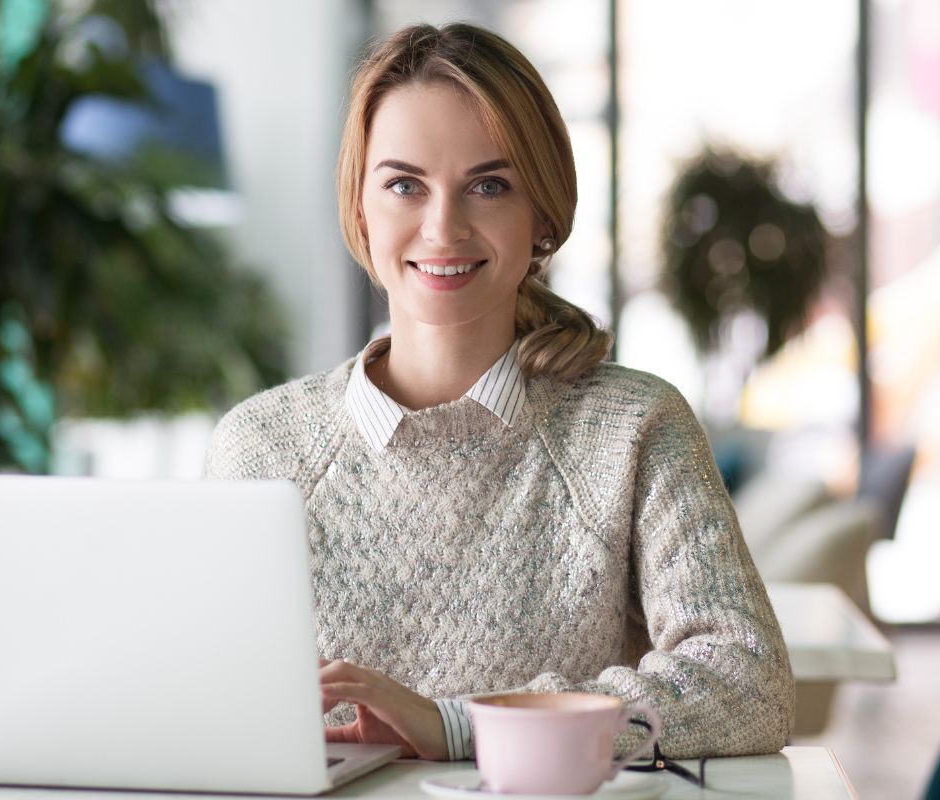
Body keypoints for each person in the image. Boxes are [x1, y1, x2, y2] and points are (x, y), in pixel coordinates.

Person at [204, 22, 794, 762]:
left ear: (542, 216)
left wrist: (462, 726)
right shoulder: (260, 447)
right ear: (360, 209)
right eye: (403, 185)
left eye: (489, 185)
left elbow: (750, 682)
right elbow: (211, 701)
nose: (442, 227)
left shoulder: (634, 427)